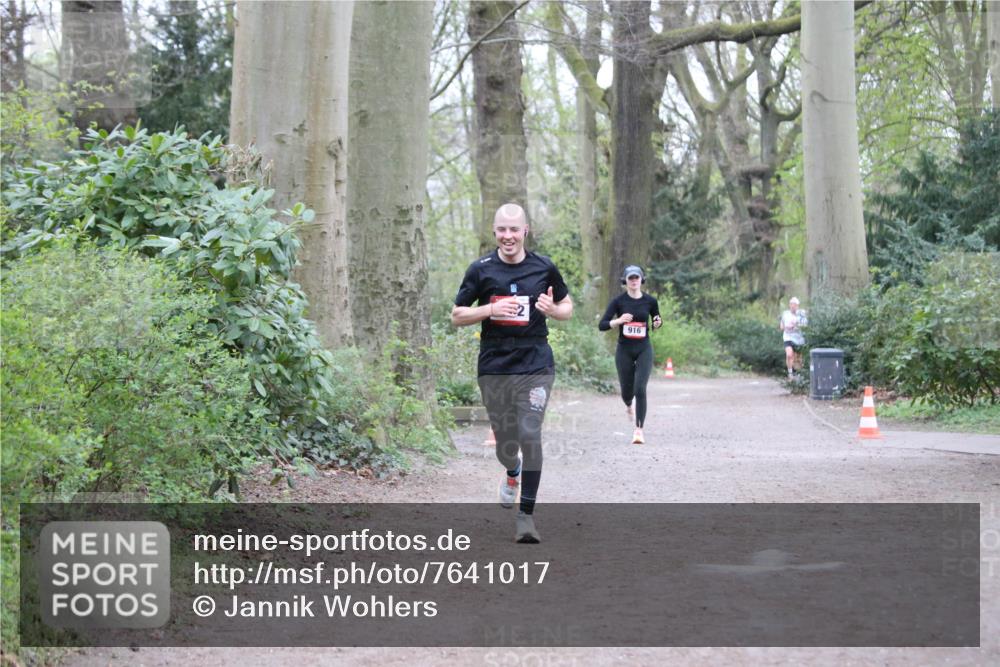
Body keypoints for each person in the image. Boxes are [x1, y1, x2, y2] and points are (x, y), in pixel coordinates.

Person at [451, 203, 573, 543]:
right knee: (507, 443)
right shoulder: (481, 270)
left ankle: (526, 517)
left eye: (514, 229)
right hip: (494, 366)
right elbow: (457, 315)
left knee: (530, 434)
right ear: (495, 233)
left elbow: (567, 306)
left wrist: (554, 310)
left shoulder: (544, 267)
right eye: (501, 230)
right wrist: (490, 309)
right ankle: (511, 471)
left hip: (535, 363)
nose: (508, 236)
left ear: (525, 231)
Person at [598, 265, 662, 444]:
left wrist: (657, 322)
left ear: (642, 280)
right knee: (627, 392)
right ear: (625, 281)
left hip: (644, 348)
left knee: (640, 388)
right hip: (624, 350)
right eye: (630, 278)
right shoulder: (618, 301)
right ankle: (628, 405)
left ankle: (639, 430)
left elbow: (657, 319)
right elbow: (602, 325)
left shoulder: (650, 301)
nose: (634, 281)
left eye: (636, 278)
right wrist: (618, 321)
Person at [779, 297, 807, 378]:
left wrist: (796, 325)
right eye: (791, 304)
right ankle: (790, 373)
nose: (792, 306)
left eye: (794, 305)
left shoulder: (802, 314)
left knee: (798, 358)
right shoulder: (785, 314)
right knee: (789, 354)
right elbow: (781, 326)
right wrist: (786, 327)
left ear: (798, 306)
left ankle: (799, 374)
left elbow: (805, 326)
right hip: (788, 337)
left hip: (799, 339)